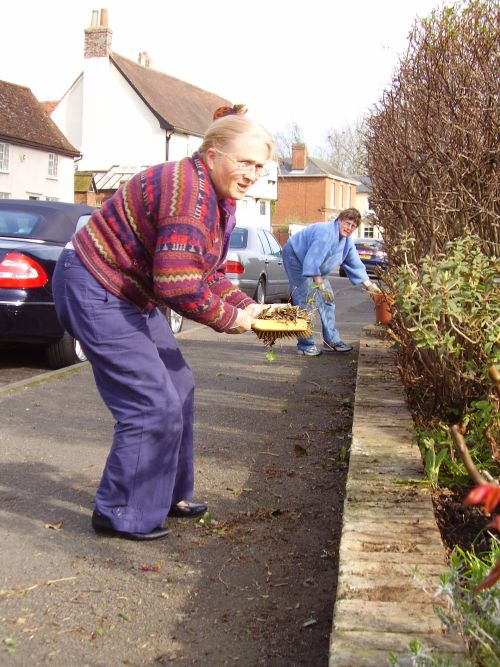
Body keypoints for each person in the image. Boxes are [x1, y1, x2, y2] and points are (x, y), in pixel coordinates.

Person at [52, 105, 275, 541]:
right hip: (95, 287)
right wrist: (235, 321)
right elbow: (177, 285)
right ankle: (121, 512)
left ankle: (166, 494)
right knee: (150, 402)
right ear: (212, 156)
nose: (251, 174)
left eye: (259, 167)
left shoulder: (217, 198)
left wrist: (253, 306)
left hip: (129, 292)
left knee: (179, 386)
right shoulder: (189, 197)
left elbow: (205, 273)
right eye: (243, 162)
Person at [282, 208, 381, 357]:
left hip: (316, 267)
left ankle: (331, 341)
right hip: (295, 257)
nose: (349, 228)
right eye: (347, 223)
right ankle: (305, 345)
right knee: (305, 301)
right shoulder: (325, 233)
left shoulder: (346, 241)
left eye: (353, 226)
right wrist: (319, 283)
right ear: (339, 220)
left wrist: (370, 286)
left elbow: (354, 262)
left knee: (328, 300)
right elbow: (312, 260)